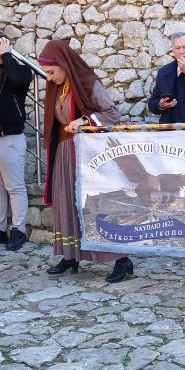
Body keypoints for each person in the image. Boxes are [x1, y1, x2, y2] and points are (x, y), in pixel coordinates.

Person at [38, 39, 134, 283]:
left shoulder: (88, 84)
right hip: (64, 154)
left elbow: (112, 113)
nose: (48, 78)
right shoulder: (57, 87)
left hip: (89, 156)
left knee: (94, 205)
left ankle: (121, 259)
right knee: (67, 204)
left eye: (51, 72)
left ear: (64, 64)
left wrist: (85, 120)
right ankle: (71, 255)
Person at [0, 31, 34, 252]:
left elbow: (19, 81)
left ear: (2, 50)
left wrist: (7, 56)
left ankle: (18, 229)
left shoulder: (20, 71)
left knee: (14, 186)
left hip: (9, 137)